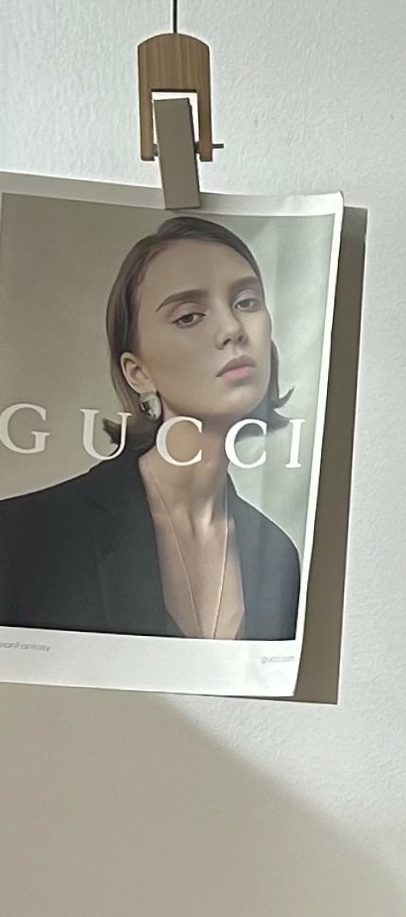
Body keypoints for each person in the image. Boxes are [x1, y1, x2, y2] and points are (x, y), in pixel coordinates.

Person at [0, 215, 301, 640]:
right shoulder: (21, 536)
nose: (233, 329)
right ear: (137, 372)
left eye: (247, 302)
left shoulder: (279, 557)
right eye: (189, 316)